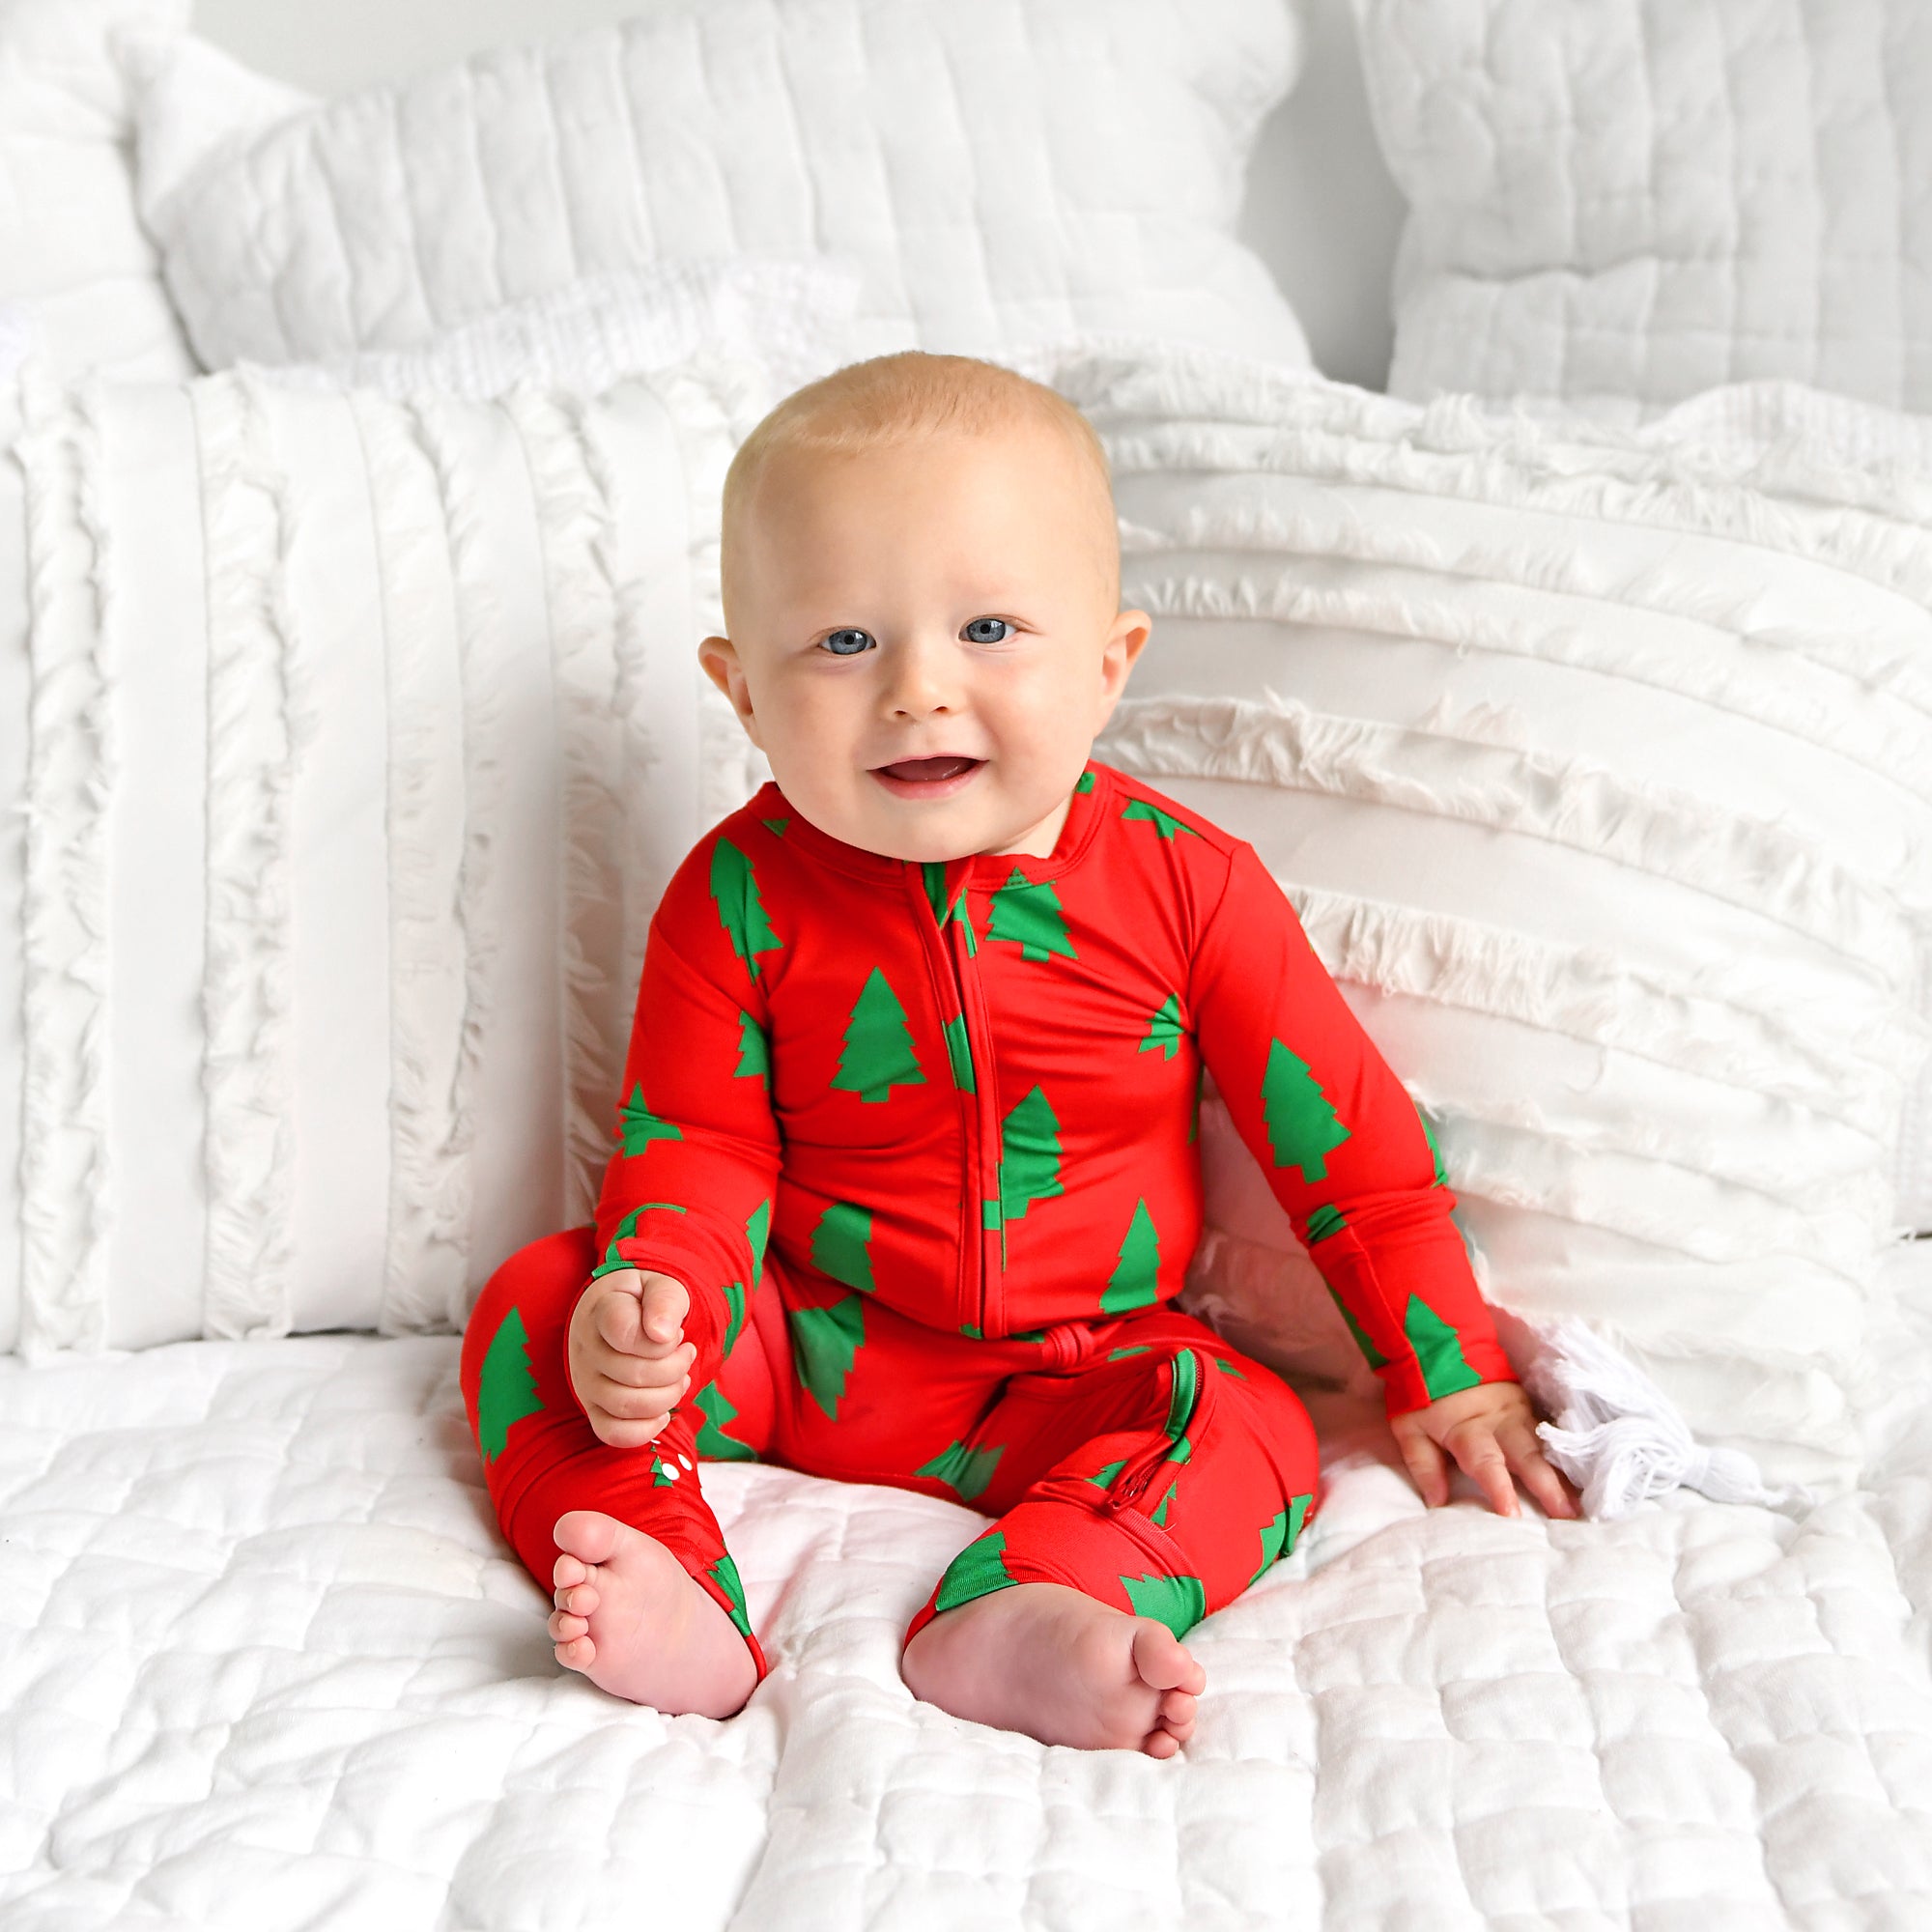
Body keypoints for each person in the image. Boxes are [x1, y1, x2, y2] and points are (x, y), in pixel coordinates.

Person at [459, 350, 1579, 1757]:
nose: (918, 690)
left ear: (1108, 668)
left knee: (1253, 1423)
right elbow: (699, 1145)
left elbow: (1345, 1144)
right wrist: (656, 1302)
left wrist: (1448, 1366)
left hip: (1086, 1370)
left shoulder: (1188, 886)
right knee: (539, 1302)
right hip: (806, 1347)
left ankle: (1037, 1599)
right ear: (742, 694)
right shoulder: (734, 895)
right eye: (845, 643)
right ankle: (666, 1568)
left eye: (988, 629)